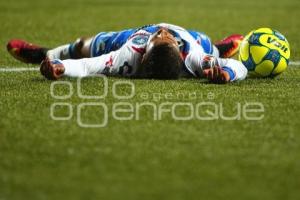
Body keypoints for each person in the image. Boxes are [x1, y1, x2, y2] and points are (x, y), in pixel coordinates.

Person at [7, 23, 247, 84]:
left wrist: (59, 65)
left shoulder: (127, 54)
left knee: (84, 46)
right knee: (207, 47)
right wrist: (225, 72)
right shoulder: (193, 56)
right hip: (191, 36)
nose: (163, 31)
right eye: (165, 37)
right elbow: (241, 68)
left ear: (143, 55)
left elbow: (89, 65)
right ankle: (219, 47)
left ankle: (44, 54)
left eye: (160, 37)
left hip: (125, 37)